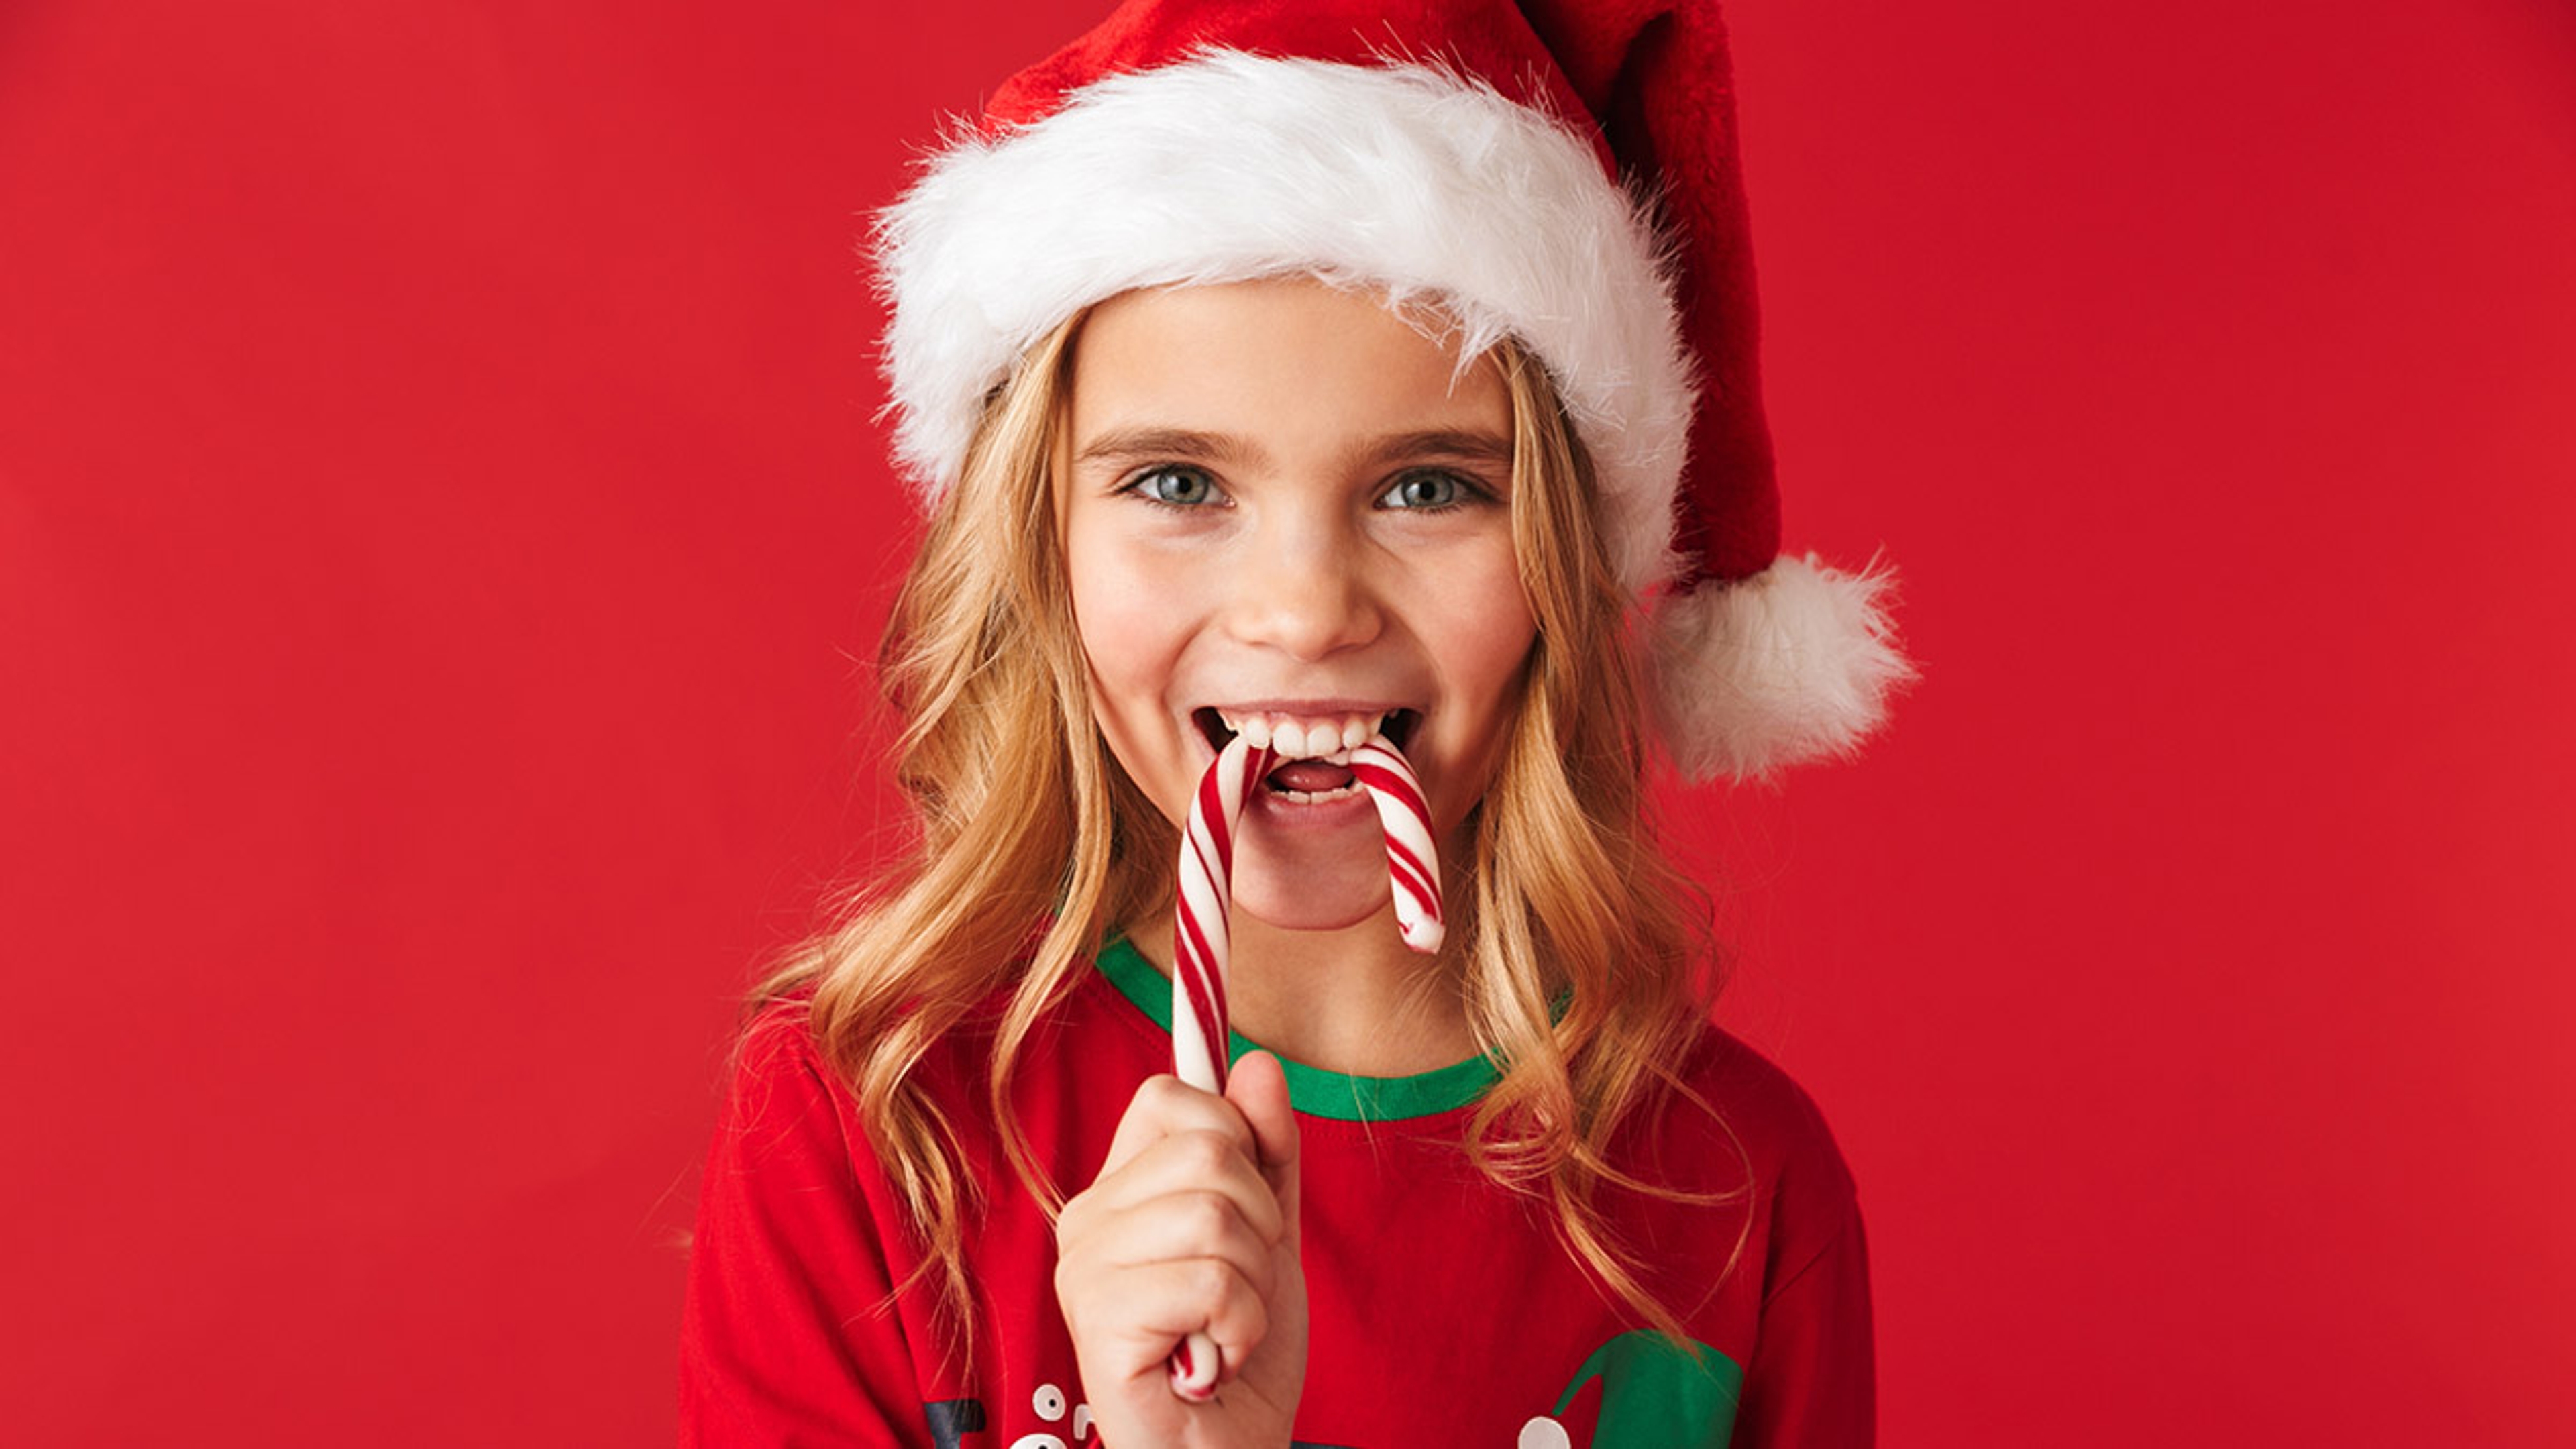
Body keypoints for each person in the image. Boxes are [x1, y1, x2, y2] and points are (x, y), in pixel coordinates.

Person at [680, 1, 1909, 1445]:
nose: (1306, 611)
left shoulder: (1733, 1197)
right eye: (1181, 484)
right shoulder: (876, 1134)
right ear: (1038, 547)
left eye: (1428, 486)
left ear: (1565, 568)